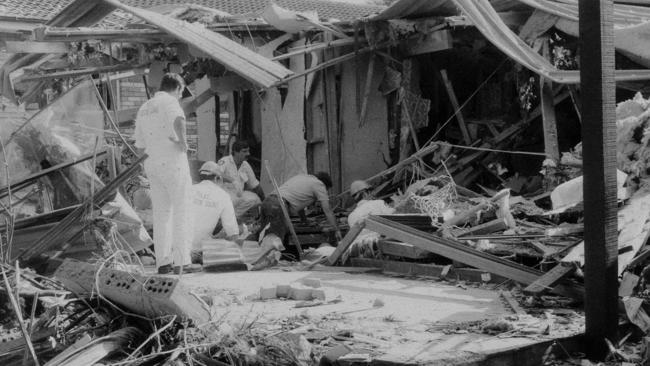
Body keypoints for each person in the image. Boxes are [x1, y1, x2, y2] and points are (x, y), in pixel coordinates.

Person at [133, 73, 200, 275]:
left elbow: (139, 144)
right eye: (181, 93)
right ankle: (182, 261)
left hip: (152, 162)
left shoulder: (145, 107)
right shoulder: (170, 101)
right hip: (172, 161)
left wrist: (145, 164)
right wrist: (183, 143)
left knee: (161, 213)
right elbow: (178, 120)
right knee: (182, 208)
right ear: (178, 88)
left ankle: (163, 262)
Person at [259, 172, 342, 245]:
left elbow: (300, 203)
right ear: (325, 185)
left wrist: (304, 221)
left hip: (267, 201)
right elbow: (327, 210)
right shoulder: (319, 185)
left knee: (263, 237)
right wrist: (337, 229)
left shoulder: (302, 178)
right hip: (278, 205)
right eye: (326, 190)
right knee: (275, 242)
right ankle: (272, 261)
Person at [190, 161, 240, 263]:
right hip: (200, 251)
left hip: (177, 251)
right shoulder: (223, 195)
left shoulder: (188, 190)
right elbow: (233, 233)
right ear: (218, 178)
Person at [215, 141, 264, 218]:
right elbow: (217, 173)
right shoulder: (225, 161)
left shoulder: (245, 165)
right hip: (224, 195)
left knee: (256, 199)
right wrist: (232, 180)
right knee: (232, 201)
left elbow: (255, 185)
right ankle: (228, 218)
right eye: (244, 151)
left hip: (238, 195)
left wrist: (264, 199)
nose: (248, 154)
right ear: (235, 152)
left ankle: (234, 217)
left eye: (248, 151)